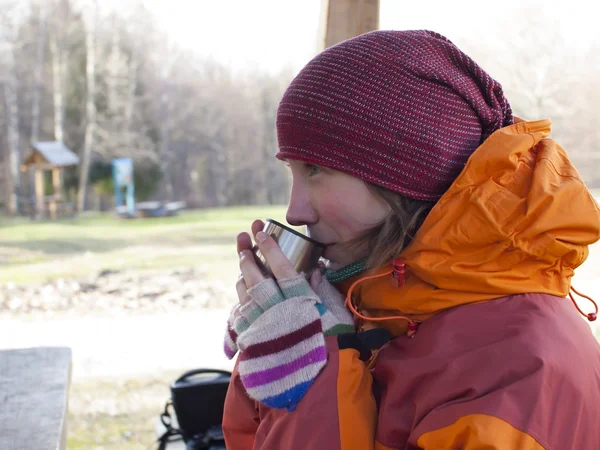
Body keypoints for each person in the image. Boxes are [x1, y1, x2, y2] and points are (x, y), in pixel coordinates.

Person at [221, 30, 600, 449]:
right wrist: (284, 348)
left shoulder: (519, 366)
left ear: (405, 176)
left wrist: (311, 376)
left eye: (314, 169)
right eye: (290, 171)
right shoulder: (373, 306)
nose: (295, 211)